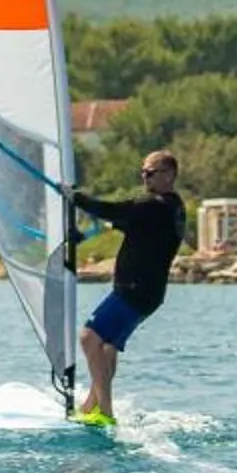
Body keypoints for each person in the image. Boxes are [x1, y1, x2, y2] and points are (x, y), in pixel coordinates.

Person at [69, 149, 184, 426]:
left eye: (150, 173)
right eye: (142, 172)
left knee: (88, 337)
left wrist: (75, 197)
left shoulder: (154, 206)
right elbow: (126, 223)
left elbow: (113, 210)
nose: (144, 177)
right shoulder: (171, 207)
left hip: (133, 291)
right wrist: (87, 231)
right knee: (107, 347)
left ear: (168, 175)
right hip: (148, 295)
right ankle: (91, 405)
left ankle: (105, 413)